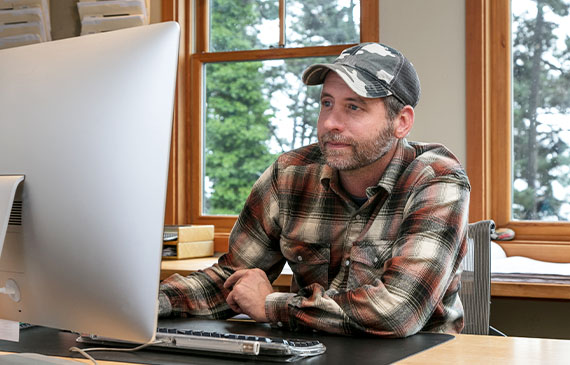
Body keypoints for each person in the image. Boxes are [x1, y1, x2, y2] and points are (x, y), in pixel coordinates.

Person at [158, 42, 470, 338]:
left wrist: (272, 306)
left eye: (354, 107)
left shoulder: (436, 179)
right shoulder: (289, 176)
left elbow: (397, 313)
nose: (331, 122)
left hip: (418, 355)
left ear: (401, 122)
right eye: (327, 103)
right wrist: (152, 302)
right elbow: (231, 282)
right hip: (314, 350)